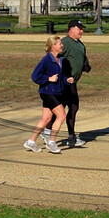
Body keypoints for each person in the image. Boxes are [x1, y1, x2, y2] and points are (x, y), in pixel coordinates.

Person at [42, 19, 91, 147]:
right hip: (65, 82)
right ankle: (69, 137)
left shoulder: (80, 44)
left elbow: (83, 60)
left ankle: (49, 132)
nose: (81, 31)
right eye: (79, 28)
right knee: (70, 107)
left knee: (63, 108)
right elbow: (53, 56)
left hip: (71, 81)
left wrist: (86, 66)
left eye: (82, 28)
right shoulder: (65, 43)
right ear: (71, 29)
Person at [24, 36, 74, 154]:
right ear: (53, 46)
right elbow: (35, 76)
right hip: (48, 92)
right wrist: (48, 79)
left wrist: (67, 79)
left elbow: (61, 76)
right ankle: (51, 142)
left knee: (46, 118)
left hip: (56, 92)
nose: (62, 45)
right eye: (60, 44)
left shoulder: (61, 59)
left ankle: (31, 141)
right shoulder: (46, 60)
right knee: (61, 116)